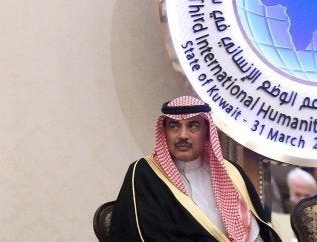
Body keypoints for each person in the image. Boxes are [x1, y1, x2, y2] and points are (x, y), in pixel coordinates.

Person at [107, 96, 280, 241]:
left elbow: (255, 234)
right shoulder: (145, 173)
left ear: (206, 131)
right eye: (174, 126)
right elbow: (145, 234)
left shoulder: (231, 173)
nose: (183, 135)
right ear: (164, 131)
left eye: (193, 126)